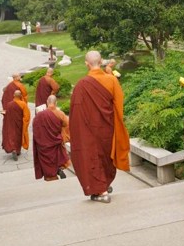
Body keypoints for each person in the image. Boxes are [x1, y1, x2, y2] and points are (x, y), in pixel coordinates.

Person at [69, 51, 130, 203]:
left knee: (92, 158)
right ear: (101, 61)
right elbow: (119, 105)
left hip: (90, 131)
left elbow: (76, 115)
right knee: (105, 157)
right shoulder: (112, 81)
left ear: (86, 64)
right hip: (107, 129)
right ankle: (105, 183)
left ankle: (101, 190)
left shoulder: (81, 85)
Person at [32, 95, 71, 181]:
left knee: (47, 163)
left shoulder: (38, 116)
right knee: (57, 158)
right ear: (56, 103)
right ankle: (58, 169)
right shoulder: (59, 114)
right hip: (56, 141)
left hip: (43, 145)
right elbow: (67, 125)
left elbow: (35, 129)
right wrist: (63, 137)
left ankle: (51, 177)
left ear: (47, 103)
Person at [2, 90, 30, 161]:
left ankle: (13, 149)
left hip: (11, 123)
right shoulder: (23, 104)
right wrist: (25, 124)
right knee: (18, 137)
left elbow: (7, 114)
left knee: (11, 136)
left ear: (13, 95)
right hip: (19, 123)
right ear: (20, 96)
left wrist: (4, 114)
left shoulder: (9, 104)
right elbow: (27, 116)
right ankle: (17, 151)